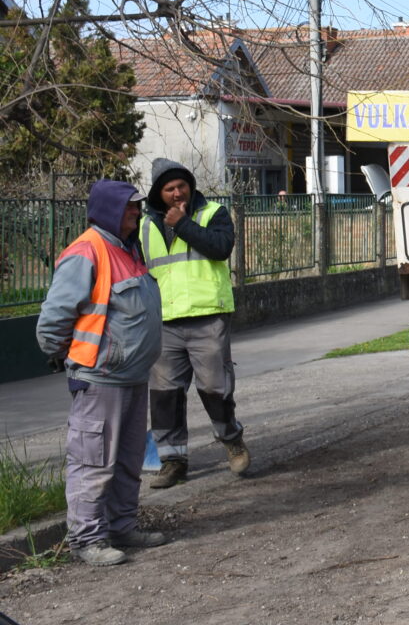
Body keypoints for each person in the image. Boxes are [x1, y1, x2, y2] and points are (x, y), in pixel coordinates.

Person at [36, 179, 170, 567]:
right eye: (130, 206)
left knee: (127, 459)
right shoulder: (87, 251)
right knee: (92, 462)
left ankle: (122, 526)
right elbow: (53, 321)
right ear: (110, 208)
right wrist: (69, 357)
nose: (137, 212)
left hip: (130, 376)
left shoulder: (127, 249)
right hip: (99, 378)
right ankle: (87, 538)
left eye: (137, 206)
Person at [140, 158, 250, 487]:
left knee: (216, 388)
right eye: (169, 189)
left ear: (191, 185)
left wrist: (183, 224)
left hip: (207, 315)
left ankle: (231, 440)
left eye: (181, 186)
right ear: (158, 194)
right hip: (165, 321)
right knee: (164, 395)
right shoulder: (146, 225)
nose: (177, 193)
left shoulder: (211, 212)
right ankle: (173, 461)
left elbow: (221, 248)